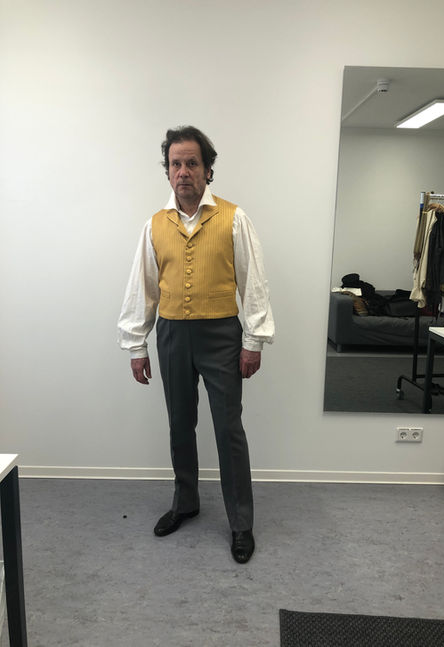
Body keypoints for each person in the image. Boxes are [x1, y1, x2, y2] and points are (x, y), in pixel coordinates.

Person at [117, 126, 274, 564]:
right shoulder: (154, 225)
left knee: (228, 428)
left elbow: (254, 284)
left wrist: (254, 339)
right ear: (167, 171)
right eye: (176, 164)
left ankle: (241, 522)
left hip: (221, 335)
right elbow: (143, 288)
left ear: (207, 170)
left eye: (192, 163)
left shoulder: (234, 218)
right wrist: (137, 345)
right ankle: (185, 502)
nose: (183, 171)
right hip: (171, 335)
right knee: (180, 424)